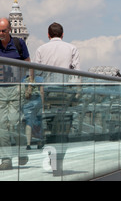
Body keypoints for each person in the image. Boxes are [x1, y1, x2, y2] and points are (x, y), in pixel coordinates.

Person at [33, 22, 81, 176]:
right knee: (64, 129)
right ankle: (58, 161)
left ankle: (52, 156)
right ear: (62, 34)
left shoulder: (41, 49)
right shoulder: (71, 48)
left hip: (47, 94)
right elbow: (77, 73)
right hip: (65, 94)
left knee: (50, 127)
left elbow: (35, 73)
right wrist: (78, 92)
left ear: (48, 35)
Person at [0, 17, 31, 170]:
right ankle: (6, 160)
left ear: (9, 29)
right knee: (1, 126)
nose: (1, 33)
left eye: (4, 30)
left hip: (16, 88)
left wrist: (27, 84)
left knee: (15, 122)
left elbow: (28, 63)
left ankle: (21, 151)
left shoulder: (19, 44)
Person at [22, 74, 45, 150]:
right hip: (37, 100)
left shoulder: (23, 79)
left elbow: (21, 91)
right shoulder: (39, 78)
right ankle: (39, 142)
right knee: (38, 121)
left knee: (29, 121)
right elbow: (41, 92)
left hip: (27, 101)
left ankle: (28, 144)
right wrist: (43, 106)